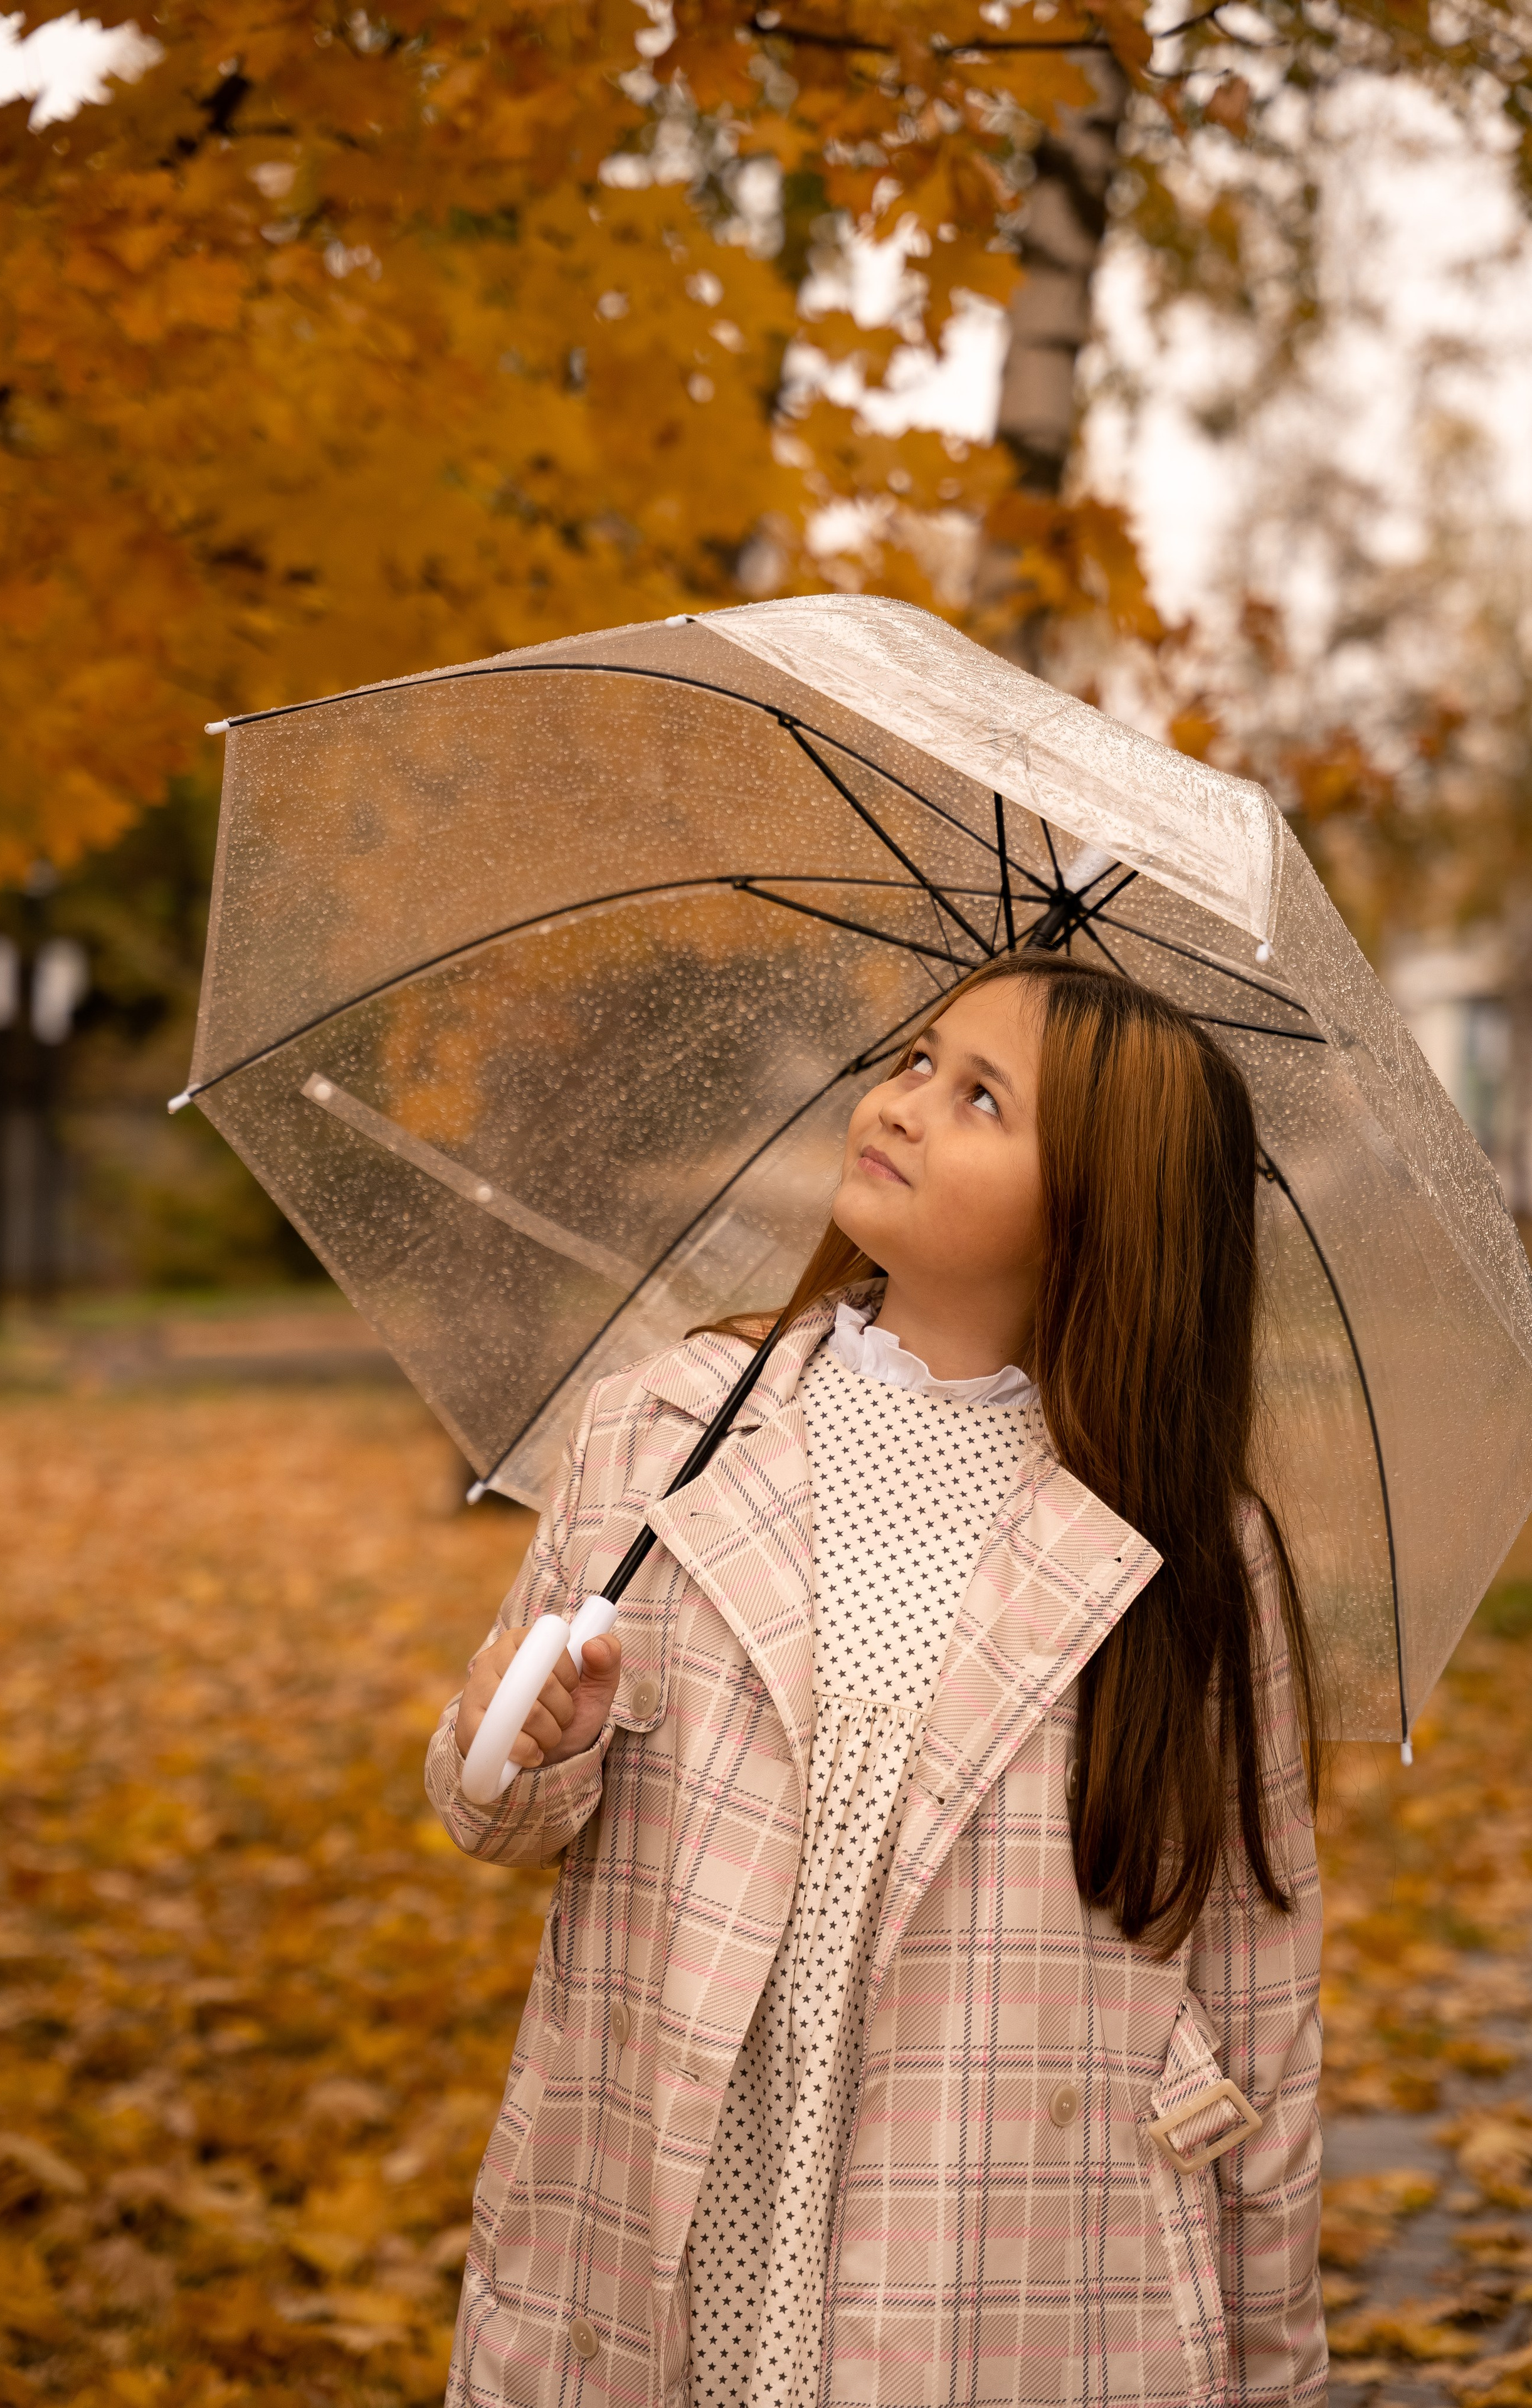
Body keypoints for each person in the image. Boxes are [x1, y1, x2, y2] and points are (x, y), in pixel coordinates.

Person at [426, 951, 1326, 2408]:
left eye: (980, 1098)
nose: (903, 1105)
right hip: (674, 2174)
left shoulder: (1194, 1563)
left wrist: (1277, 2368)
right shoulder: (662, 1433)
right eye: (913, 1061)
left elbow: (1262, 1994)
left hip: (1014, 2244)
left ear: (1103, 1207)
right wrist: (520, 1746)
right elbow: (489, 1813)